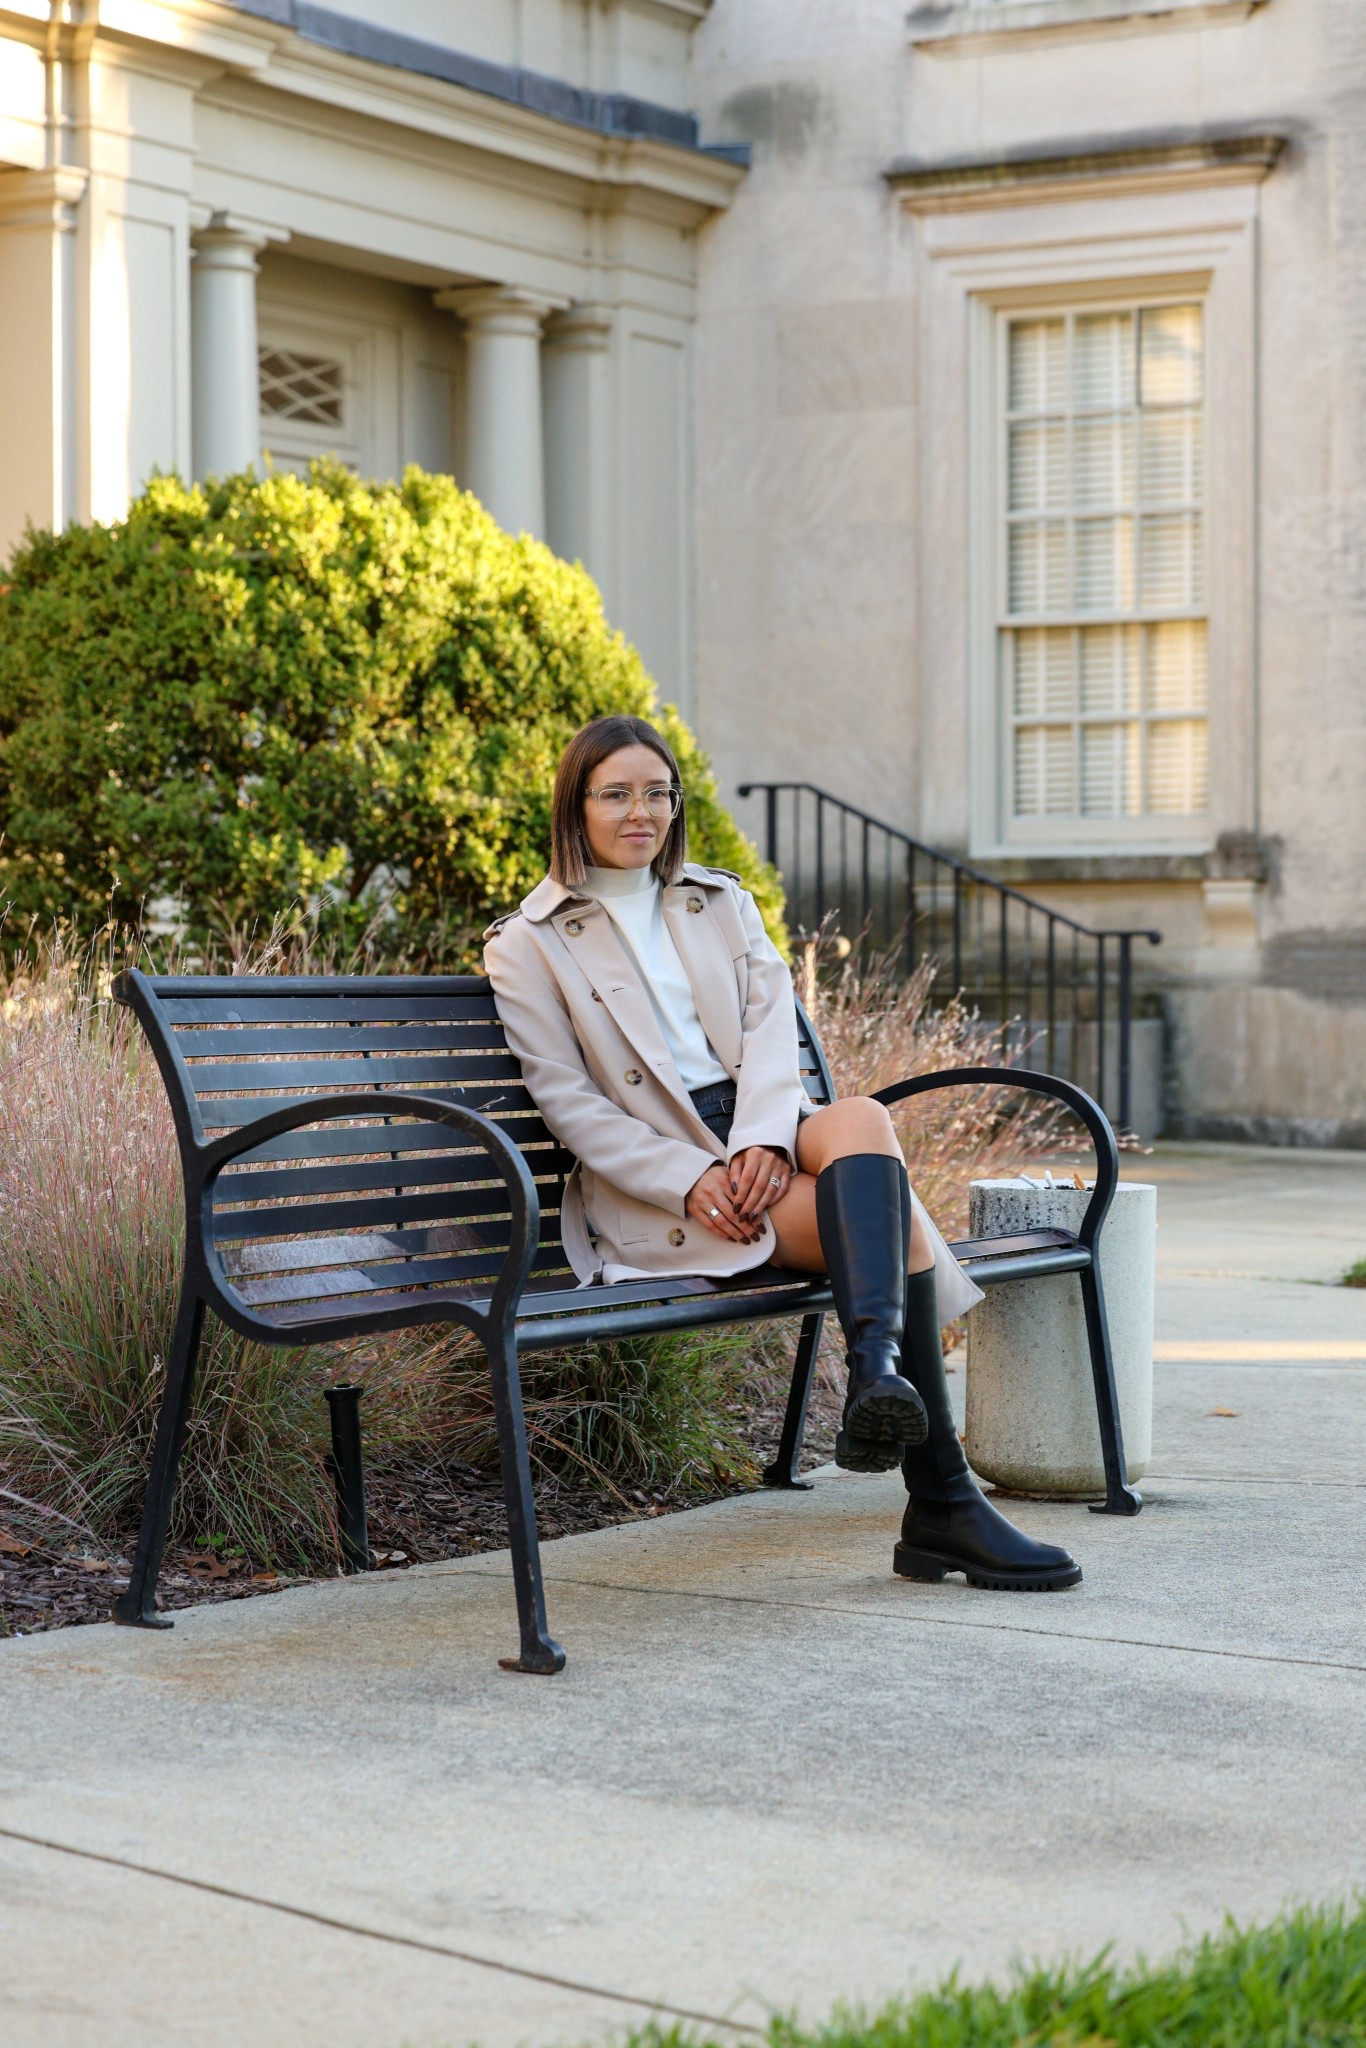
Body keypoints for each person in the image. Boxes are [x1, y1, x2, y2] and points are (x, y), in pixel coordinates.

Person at [484, 714, 1080, 1591]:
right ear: (575, 807)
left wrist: (761, 1135)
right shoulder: (528, 942)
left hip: (761, 1125)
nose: (640, 812)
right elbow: (569, 1104)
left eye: (657, 793)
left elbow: (771, 1031)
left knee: (861, 1119)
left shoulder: (718, 902)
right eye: (615, 794)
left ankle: (877, 1374)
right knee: (895, 1227)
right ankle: (939, 1494)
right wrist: (693, 1177)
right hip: (658, 1174)